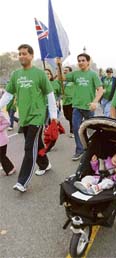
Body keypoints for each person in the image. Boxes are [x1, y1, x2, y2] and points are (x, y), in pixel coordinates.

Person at [0, 44, 57, 192]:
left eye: (24, 53)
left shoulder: (40, 74)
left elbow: (50, 95)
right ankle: (45, 164)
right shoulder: (16, 75)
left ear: (31, 55)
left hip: (37, 116)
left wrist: (54, 117)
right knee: (36, 144)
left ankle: (22, 182)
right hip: (24, 117)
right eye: (19, 54)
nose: (21, 56)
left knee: (29, 147)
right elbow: (8, 94)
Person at [56, 53, 104, 161]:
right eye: (79, 60)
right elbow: (61, 78)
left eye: (83, 60)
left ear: (88, 62)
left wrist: (95, 102)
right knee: (77, 129)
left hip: (88, 108)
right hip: (76, 107)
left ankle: (93, 150)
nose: (81, 62)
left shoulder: (93, 74)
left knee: (91, 130)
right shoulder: (75, 74)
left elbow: (100, 90)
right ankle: (79, 150)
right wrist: (59, 66)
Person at [0, 111, 16, 175]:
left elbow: (7, 122)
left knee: (1, 155)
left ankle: (10, 168)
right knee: (1, 156)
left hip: (2, 140)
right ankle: (6, 165)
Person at [62, 66, 75, 138]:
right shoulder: (63, 81)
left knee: (71, 117)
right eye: (64, 70)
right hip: (64, 101)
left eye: (66, 70)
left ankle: (72, 131)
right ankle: (76, 125)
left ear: (70, 72)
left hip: (72, 102)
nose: (64, 71)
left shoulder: (73, 81)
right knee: (67, 116)